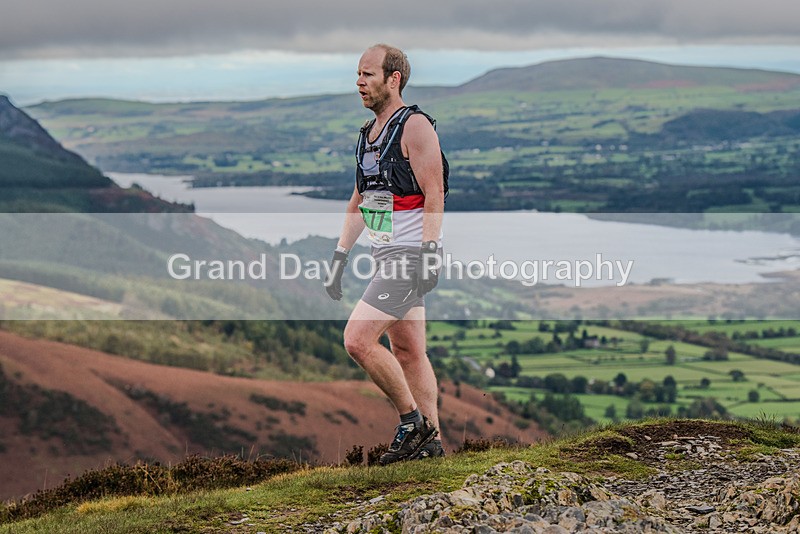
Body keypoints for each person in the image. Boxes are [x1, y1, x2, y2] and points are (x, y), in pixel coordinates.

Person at [324, 43, 447, 464]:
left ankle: (411, 422)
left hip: (409, 259)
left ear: (393, 79)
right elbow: (360, 201)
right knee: (410, 352)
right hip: (385, 259)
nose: (359, 82)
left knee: (357, 340)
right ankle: (431, 443)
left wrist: (430, 253)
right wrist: (339, 259)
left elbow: (435, 193)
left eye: (368, 74)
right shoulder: (368, 136)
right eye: (357, 74)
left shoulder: (415, 127)